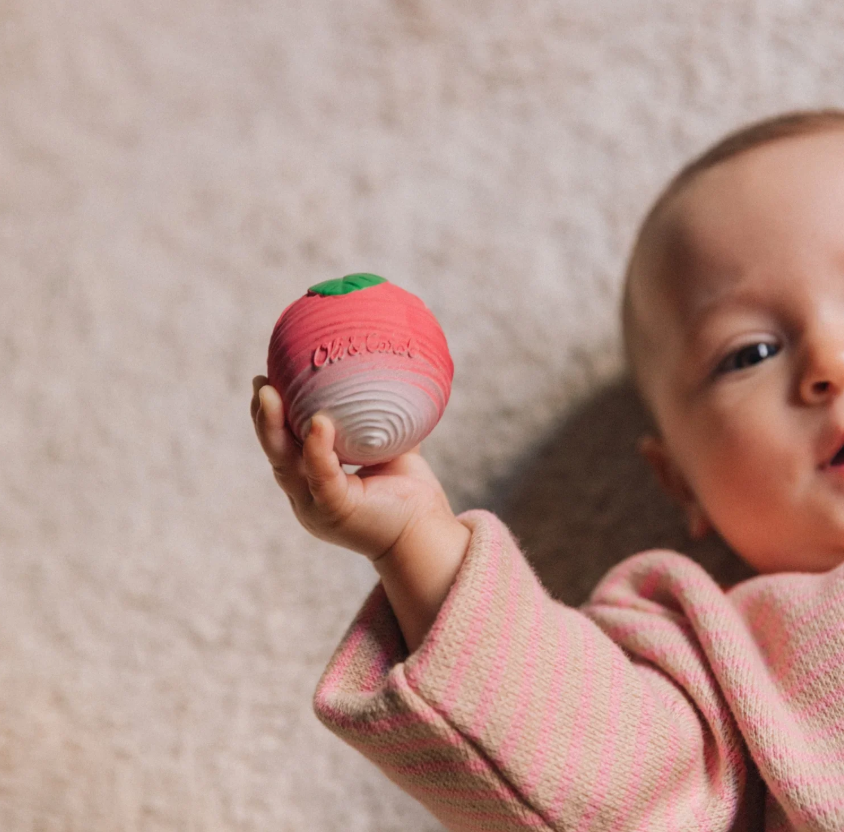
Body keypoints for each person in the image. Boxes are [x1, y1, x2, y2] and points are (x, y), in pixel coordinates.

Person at [250, 110, 844, 831]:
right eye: (750, 353)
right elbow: (607, 786)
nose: (829, 363)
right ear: (682, 483)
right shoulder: (727, 661)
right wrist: (415, 541)